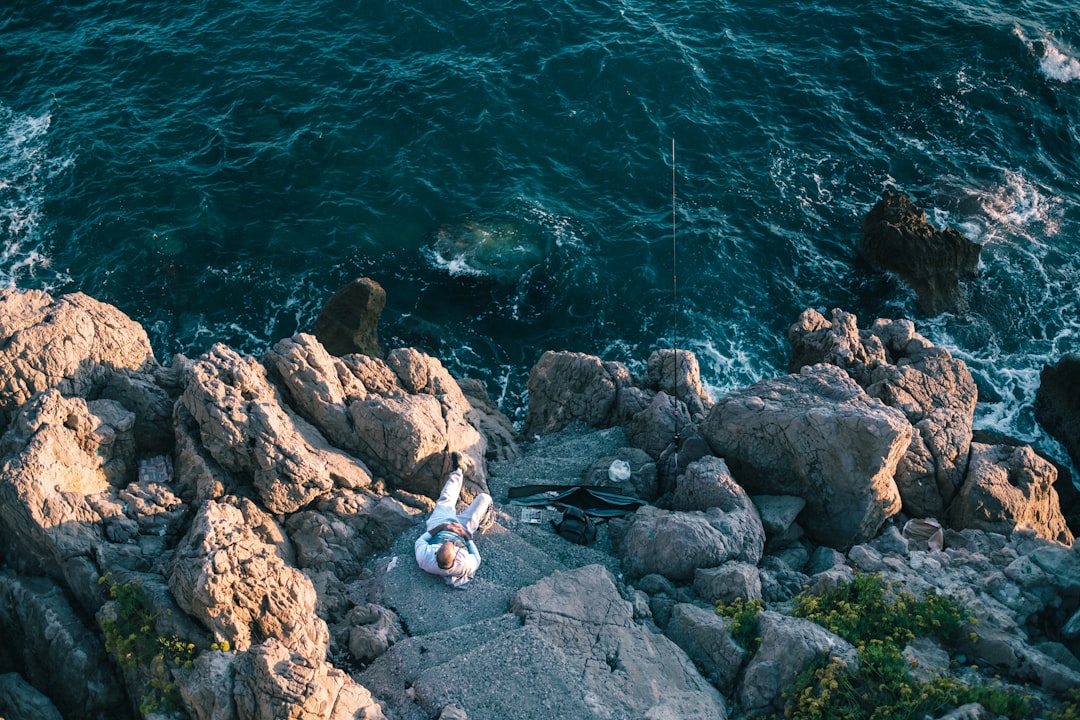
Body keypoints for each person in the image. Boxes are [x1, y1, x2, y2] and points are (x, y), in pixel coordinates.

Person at [414, 452, 492, 587]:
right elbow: (476, 558)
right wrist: (466, 536)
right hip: (463, 531)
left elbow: (421, 540)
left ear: (436, 551)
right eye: (450, 544)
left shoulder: (425, 558)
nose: (447, 541)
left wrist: (442, 527)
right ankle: (485, 520)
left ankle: (458, 471)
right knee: (485, 498)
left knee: (446, 499)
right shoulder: (466, 565)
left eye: (443, 544)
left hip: (439, 526)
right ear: (456, 557)